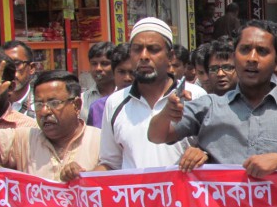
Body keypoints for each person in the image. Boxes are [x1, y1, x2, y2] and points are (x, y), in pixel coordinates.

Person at [147, 19, 277, 177]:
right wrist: (167, 113)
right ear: (234, 57)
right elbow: (156, 135)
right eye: (245, 50)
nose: (252, 58)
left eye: (262, 51)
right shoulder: (208, 108)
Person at [85, 17, 206, 175]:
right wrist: (82, 179)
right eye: (137, 49)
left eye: (153, 49)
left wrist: (202, 154)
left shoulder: (196, 96)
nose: (144, 56)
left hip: (183, 190)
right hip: (134, 191)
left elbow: (212, 153)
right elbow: (110, 164)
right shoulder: (114, 102)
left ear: (170, 57)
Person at [0, 68, 101, 182]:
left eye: (54, 103)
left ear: (76, 105)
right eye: (39, 104)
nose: (44, 111)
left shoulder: (100, 141)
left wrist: (86, 178)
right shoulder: (24, 139)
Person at [86, 44, 135, 128]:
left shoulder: (151, 104)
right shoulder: (98, 107)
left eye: (132, 72)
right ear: (113, 72)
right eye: (121, 72)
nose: (127, 78)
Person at [81, 41, 116, 122]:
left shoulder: (125, 96)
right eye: (94, 64)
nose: (98, 68)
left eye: (104, 63)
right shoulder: (83, 100)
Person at [1, 40, 37, 117]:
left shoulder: (40, 107)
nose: (10, 71)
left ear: (31, 68)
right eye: (5, 66)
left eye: (17, 64)